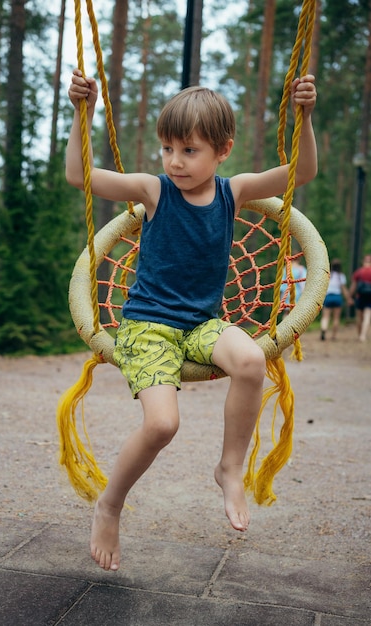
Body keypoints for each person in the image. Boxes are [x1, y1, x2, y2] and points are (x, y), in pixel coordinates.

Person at [66, 68, 318, 571]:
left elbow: (301, 173)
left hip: (202, 322)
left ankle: (229, 467)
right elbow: (81, 176)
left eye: (190, 150)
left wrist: (304, 117)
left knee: (249, 360)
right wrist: (82, 114)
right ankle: (109, 504)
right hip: (148, 325)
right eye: (168, 149)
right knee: (162, 425)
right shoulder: (154, 191)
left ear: (222, 150)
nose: (175, 162)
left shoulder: (234, 191)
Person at [320, 258, 352, 341]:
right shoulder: (341, 276)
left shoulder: (328, 275)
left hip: (328, 296)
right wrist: (348, 298)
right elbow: (344, 289)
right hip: (337, 297)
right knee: (336, 318)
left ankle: (324, 329)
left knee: (326, 316)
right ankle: (334, 336)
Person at [349, 253, 371, 342]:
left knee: (359, 317)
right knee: (367, 316)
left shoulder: (358, 272)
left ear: (363, 262)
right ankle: (363, 335)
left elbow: (353, 286)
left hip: (360, 296)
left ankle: (359, 335)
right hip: (370, 296)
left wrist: (349, 297)